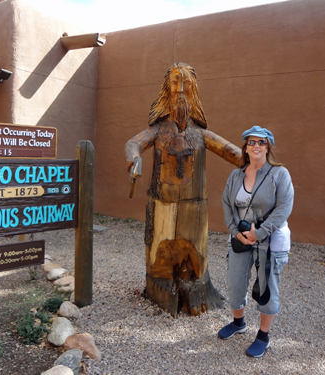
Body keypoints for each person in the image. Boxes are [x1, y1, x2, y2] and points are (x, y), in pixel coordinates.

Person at [125, 62, 241, 316]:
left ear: (193, 90)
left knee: (195, 255)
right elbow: (134, 143)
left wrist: (256, 161)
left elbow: (231, 151)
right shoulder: (158, 131)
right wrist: (134, 158)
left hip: (194, 209)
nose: (180, 90)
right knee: (159, 258)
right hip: (161, 205)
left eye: (185, 83)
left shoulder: (201, 134)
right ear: (166, 89)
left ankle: (196, 288)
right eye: (175, 83)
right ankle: (159, 285)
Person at [218, 125, 294, 358]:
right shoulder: (236, 175)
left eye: (261, 142)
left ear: (267, 146)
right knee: (235, 281)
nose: (256, 146)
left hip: (270, 241)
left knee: (267, 288)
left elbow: (284, 208)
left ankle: (263, 336)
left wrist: (259, 233)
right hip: (240, 238)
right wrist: (235, 230)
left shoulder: (279, 174)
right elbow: (226, 204)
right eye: (251, 142)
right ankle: (238, 322)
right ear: (246, 147)